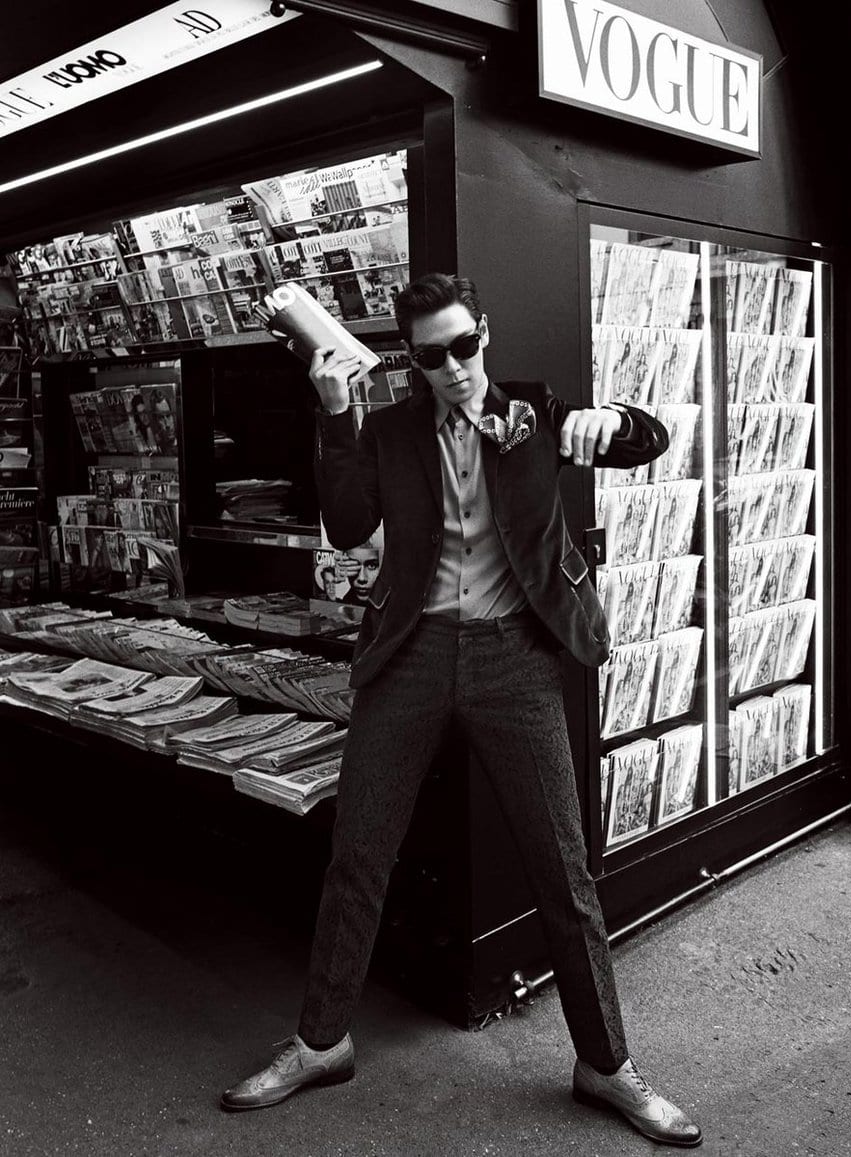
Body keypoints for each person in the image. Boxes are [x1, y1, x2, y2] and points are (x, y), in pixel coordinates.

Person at [221, 273, 702, 1148]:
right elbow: (346, 525)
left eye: (464, 346)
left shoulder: (535, 412)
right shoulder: (391, 430)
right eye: (431, 357)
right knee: (357, 854)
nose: (453, 368)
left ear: (485, 331)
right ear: (412, 362)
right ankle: (322, 1043)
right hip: (410, 654)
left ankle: (606, 1063)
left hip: (515, 656)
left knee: (563, 868)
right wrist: (335, 414)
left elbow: (650, 440)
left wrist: (615, 420)